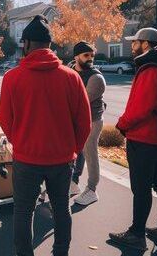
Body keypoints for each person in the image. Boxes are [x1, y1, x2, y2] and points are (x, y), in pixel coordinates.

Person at [0, 15, 91, 256]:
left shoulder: (11, 78)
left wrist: (20, 142)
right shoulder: (72, 78)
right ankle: (61, 252)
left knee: (23, 211)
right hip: (61, 159)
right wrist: (72, 149)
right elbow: (84, 123)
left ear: (26, 44)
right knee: (62, 209)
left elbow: (4, 119)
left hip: (27, 158)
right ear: (50, 46)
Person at [109, 27, 157, 251]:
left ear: (146, 44)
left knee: (141, 189)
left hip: (145, 139)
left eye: (135, 42)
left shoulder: (151, 70)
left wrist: (122, 125)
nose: (132, 46)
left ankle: (136, 234)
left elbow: (142, 108)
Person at [70, 41, 106, 205]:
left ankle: (92, 190)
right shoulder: (71, 71)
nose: (90, 58)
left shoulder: (96, 78)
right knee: (76, 151)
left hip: (93, 120)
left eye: (92, 55)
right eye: (86, 55)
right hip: (75, 120)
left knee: (90, 153)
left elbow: (80, 102)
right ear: (76, 56)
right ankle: (73, 183)